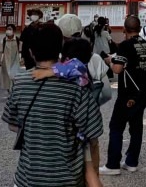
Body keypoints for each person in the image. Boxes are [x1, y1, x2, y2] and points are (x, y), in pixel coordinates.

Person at [2, 22, 104, 187]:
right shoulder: (77, 84)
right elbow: (92, 135)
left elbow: (13, 124)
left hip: (28, 178)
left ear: (31, 52)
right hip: (68, 178)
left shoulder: (19, 82)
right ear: (60, 47)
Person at [33, 37, 110, 185]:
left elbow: (70, 66)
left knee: (89, 172)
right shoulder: (83, 68)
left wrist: (49, 72)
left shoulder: (77, 66)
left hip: (79, 131)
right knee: (90, 170)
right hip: (84, 127)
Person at [100, 16, 146, 176]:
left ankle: (113, 164)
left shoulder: (125, 45)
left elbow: (117, 69)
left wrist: (109, 61)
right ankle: (131, 162)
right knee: (136, 127)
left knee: (116, 127)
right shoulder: (144, 44)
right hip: (143, 90)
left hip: (128, 92)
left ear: (124, 29)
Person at [0, 24, 21, 91]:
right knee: (7, 77)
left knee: (14, 76)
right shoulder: (3, 40)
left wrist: (22, 59)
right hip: (5, 61)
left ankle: (14, 90)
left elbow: (21, 51)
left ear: (14, 31)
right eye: (7, 29)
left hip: (15, 61)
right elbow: (0, 51)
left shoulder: (18, 40)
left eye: (10, 29)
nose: (8, 30)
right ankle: (9, 91)